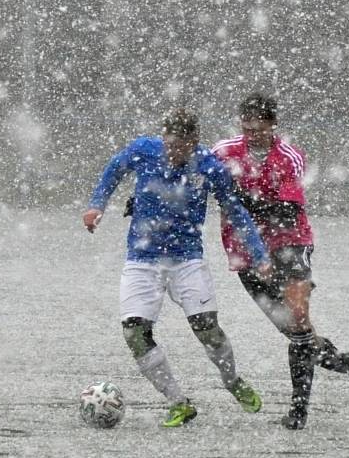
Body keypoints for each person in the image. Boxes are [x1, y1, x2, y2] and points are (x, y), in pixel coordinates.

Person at [82, 108, 272, 428]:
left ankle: (232, 379)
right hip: (142, 259)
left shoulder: (210, 167)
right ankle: (178, 403)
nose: (174, 153)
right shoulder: (144, 150)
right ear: (164, 139)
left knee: (206, 328)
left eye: (181, 147)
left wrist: (259, 254)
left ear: (194, 142)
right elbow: (114, 169)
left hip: (186, 259)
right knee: (134, 333)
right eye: (170, 145)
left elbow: (235, 210)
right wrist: (96, 205)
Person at [211, 93, 349, 430]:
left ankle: (298, 411)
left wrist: (239, 205)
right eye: (246, 130)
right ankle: (348, 364)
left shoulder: (289, 158)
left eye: (259, 130)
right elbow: (194, 177)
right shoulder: (223, 152)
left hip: (289, 245)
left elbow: (287, 209)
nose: (252, 137)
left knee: (297, 320)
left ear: (273, 126)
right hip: (246, 256)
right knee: (300, 334)